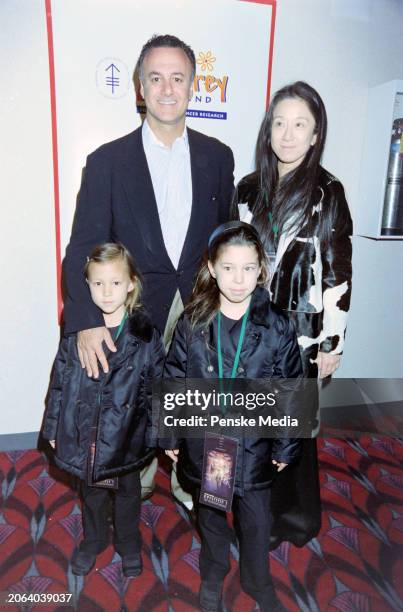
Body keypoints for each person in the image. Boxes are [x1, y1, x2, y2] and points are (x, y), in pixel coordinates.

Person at [63, 33, 234, 503]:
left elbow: (228, 239)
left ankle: (190, 483)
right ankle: (131, 485)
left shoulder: (218, 157)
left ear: (193, 86)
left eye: (177, 78)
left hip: (198, 304)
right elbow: (82, 248)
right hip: (133, 308)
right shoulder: (106, 162)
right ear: (140, 87)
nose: (166, 89)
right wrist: (85, 321)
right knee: (129, 406)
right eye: (155, 78)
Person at [232, 81, 353, 546]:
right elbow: (231, 260)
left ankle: (294, 521)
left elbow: (339, 273)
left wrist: (332, 342)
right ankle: (253, 518)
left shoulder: (328, 192)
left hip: (302, 335)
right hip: (253, 329)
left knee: (292, 433)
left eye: (299, 124)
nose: (287, 134)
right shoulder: (246, 190)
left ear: (315, 133)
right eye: (279, 123)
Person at [162, 221, 303, 612]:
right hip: (209, 442)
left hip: (256, 445)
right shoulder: (194, 321)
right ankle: (213, 568)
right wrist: (171, 436)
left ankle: (258, 581)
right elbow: (174, 377)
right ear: (211, 267)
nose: (238, 280)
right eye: (228, 268)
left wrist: (287, 445)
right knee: (210, 512)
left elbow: (291, 389)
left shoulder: (276, 326)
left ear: (261, 270)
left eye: (248, 268)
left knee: (256, 521)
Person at [42, 243, 164, 576]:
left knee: (128, 493)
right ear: (87, 286)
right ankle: (93, 541)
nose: (107, 292)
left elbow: (157, 387)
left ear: (130, 284)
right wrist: (53, 428)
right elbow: (59, 380)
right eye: (98, 284)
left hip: (127, 435)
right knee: (93, 493)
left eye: (114, 283)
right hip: (88, 432)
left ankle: (128, 543)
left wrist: (159, 434)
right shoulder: (77, 333)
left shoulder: (146, 333)